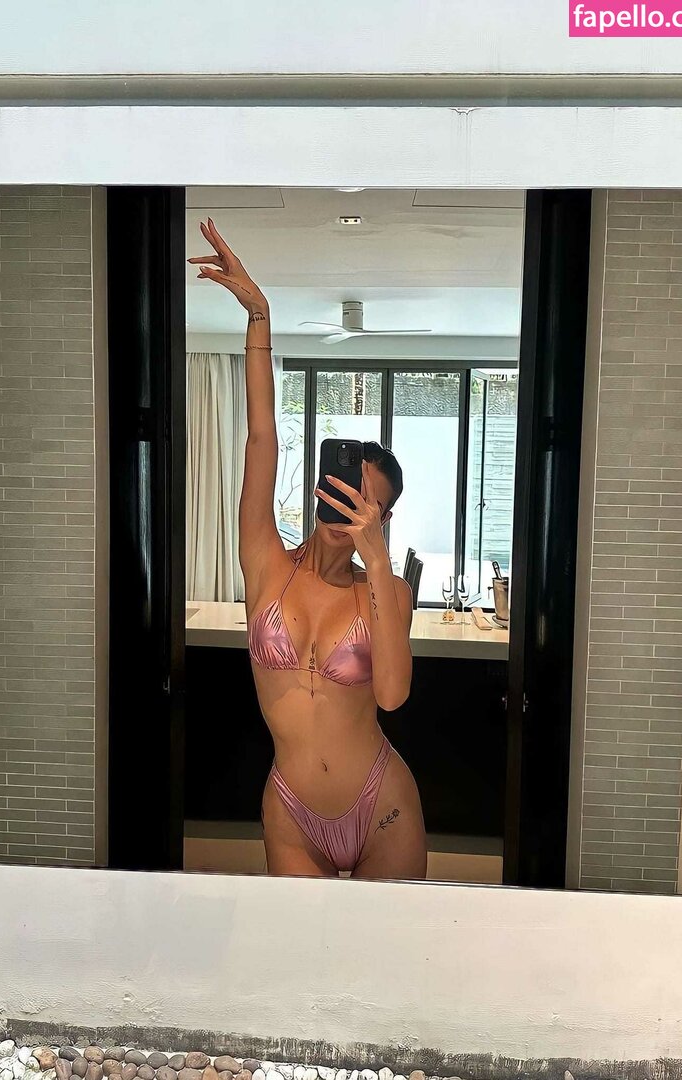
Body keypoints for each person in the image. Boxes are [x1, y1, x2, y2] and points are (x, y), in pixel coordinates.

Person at [190, 219, 427, 880]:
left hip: (382, 806)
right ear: (322, 484)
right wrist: (259, 317)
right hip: (292, 812)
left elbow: (390, 696)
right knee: (300, 948)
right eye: (343, 490)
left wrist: (377, 559)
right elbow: (260, 437)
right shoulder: (266, 562)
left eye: (366, 502)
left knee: (391, 948)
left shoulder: (386, 591)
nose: (348, 508)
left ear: (382, 516)